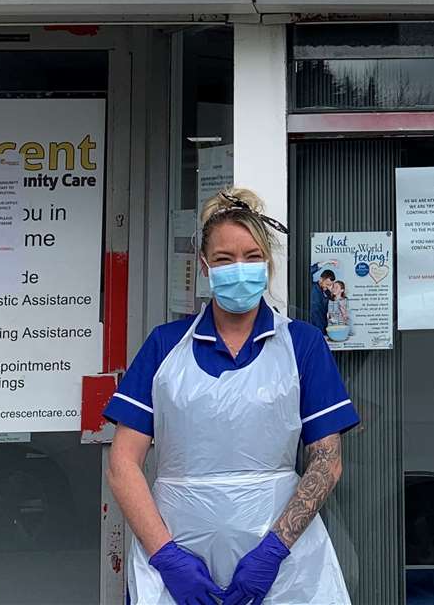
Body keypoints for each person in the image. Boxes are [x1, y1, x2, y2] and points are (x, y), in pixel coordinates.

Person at [105, 188, 358, 605]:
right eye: (224, 259)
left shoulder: (302, 345)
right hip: (177, 555)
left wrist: (273, 553)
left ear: (268, 264)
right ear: (205, 267)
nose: (239, 269)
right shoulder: (165, 347)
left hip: (284, 564)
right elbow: (122, 464)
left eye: (252, 256)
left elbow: (327, 462)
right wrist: (168, 560)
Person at [309, 266, 336, 335]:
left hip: (323, 327)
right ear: (321, 279)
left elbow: (327, 309)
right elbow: (308, 271)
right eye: (327, 284)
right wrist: (327, 262)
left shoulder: (327, 292)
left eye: (330, 285)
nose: (328, 286)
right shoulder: (311, 286)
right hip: (312, 326)